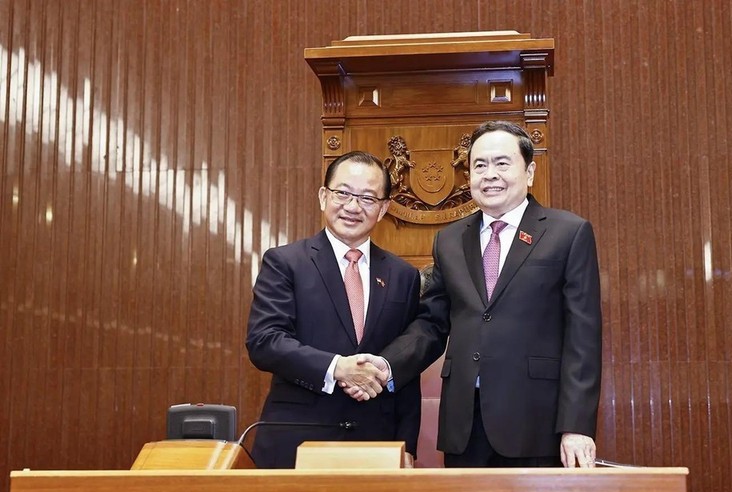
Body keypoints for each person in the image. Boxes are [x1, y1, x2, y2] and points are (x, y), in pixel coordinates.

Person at [346, 121, 602, 468]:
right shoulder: (450, 240)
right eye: (479, 165)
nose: (489, 174)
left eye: (502, 163)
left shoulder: (567, 233)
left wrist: (576, 426)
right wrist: (389, 364)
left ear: (529, 172)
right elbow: (432, 324)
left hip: (538, 424)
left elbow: (583, 337)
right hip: (465, 426)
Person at [245, 151, 421, 468]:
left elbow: (406, 367)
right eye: (343, 193)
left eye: (368, 198)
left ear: (383, 209)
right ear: (324, 196)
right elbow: (265, 342)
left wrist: (407, 445)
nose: (353, 207)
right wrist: (338, 367)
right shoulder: (286, 262)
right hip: (296, 442)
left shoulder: (403, 275)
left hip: (376, 445)